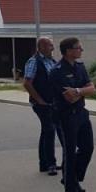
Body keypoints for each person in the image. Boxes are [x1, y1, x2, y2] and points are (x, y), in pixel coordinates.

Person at [48, 37, 96, 192]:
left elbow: (92, 89)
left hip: (81, 113)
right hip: (66, 116)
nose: (81, 50)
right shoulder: (57, 71)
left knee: (88, 148)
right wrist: (82, 91)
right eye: (78, 48)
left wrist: (78, 90)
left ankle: (72, 178)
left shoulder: (80, 67)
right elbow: (69, 98)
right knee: (69, 153)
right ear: (68, 50)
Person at [23, 37, 63, 175]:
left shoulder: (52, 61)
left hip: (52, 102)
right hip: (41, 103)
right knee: (50, 129)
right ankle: (51, 163)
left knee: (47, 131)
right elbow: (27, 83)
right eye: (50, 46)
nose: (52, 48)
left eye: (52, 45)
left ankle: (43, 163)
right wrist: (39, 100)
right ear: (41, 47)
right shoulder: (34, 61)